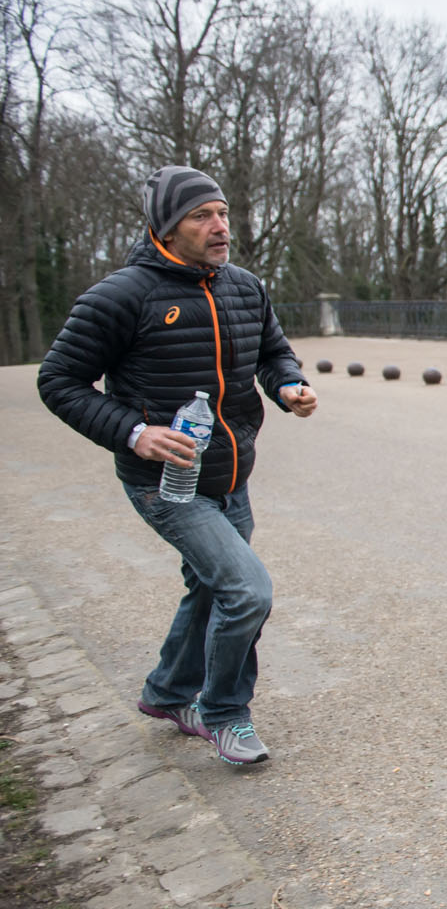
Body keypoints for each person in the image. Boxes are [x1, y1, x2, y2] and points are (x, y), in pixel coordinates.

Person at [37, 165, 317, 766]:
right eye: (202, 216)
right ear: (167, 226)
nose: (220, 226)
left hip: (230, 474)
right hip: (164, 485)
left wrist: (289, 385)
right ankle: (223, 714)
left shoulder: (243, 286)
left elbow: (273, 352)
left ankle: (167, 692)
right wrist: (135, 433)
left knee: (209, 586)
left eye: (222, 213)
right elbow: (59, 381)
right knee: (246, 590)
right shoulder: (120, 296)